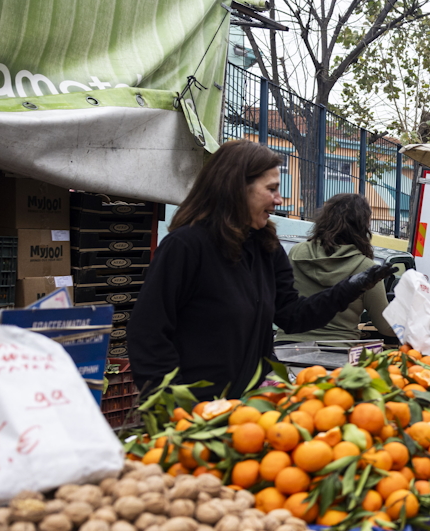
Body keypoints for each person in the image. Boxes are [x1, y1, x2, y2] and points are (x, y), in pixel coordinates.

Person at [130, 140, 390, 401]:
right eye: (271, 189)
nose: (279, 199)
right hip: (196, 409)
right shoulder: (185, 247)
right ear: (237, 188)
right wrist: (171, 402)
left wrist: (350, 288)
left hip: (248, 407)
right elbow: (148, 331)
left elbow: (292, 315)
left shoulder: (267, 248)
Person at [276, 193, 393, 344]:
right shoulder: (366, 269)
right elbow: (386, 326)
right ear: (363, 226)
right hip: (337, 350)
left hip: (286, 347)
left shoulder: (295, 253)